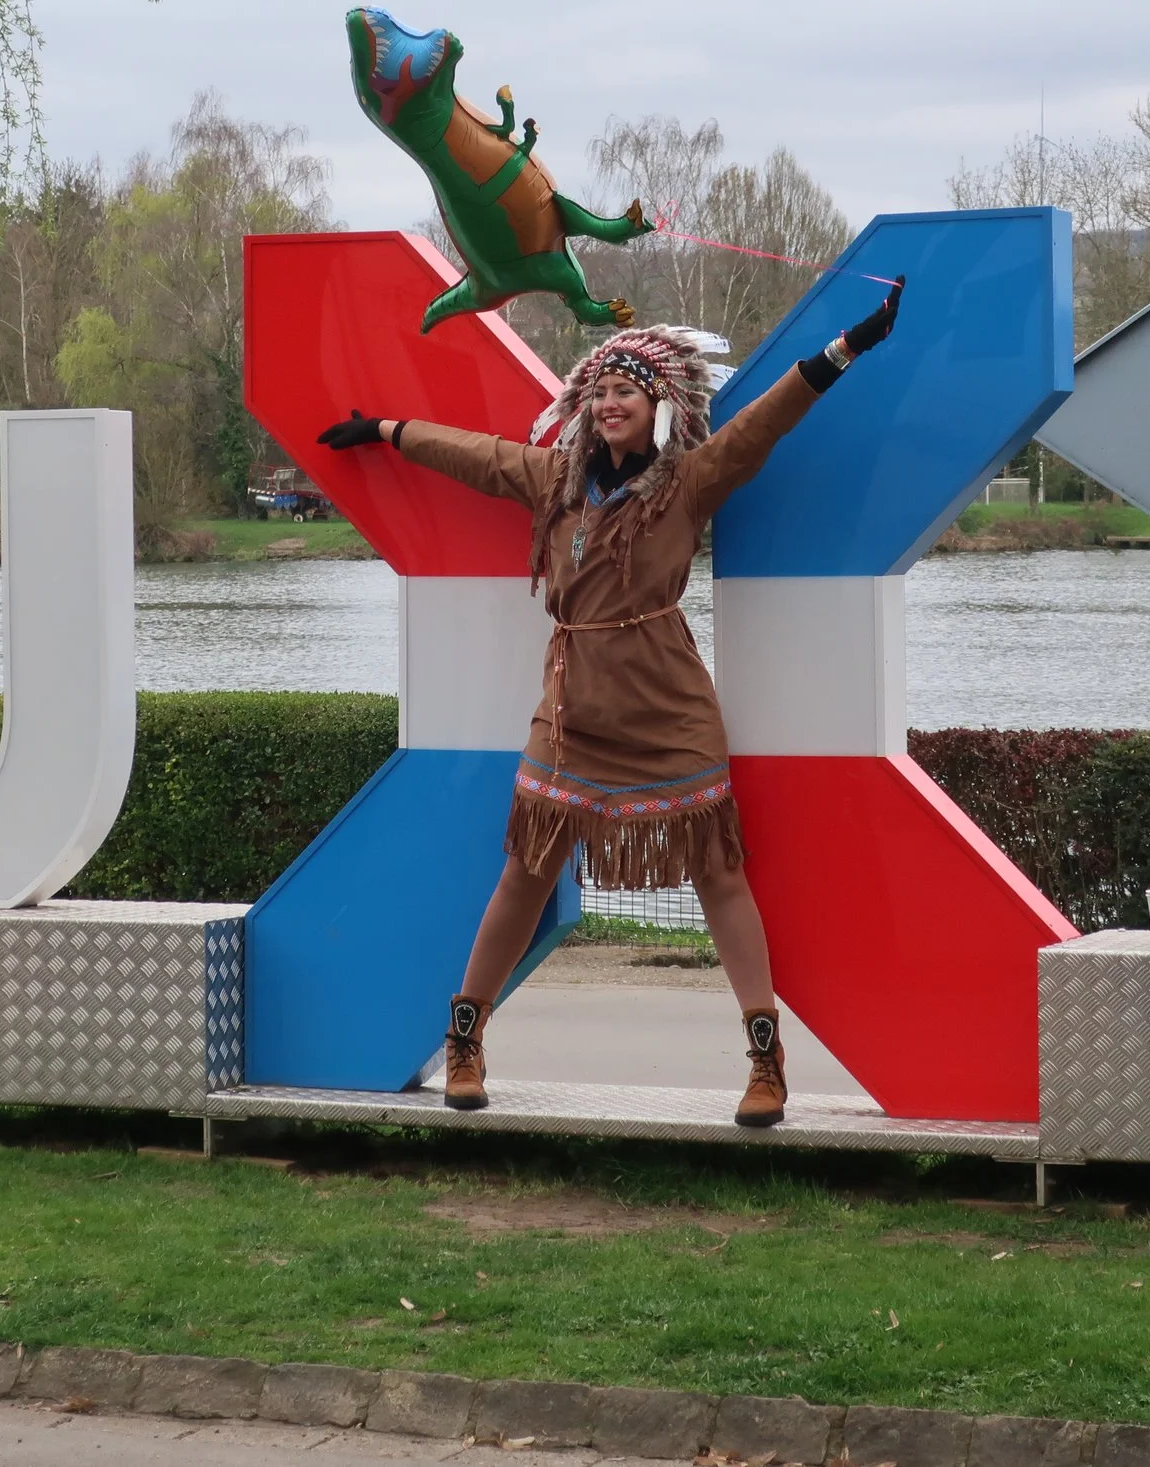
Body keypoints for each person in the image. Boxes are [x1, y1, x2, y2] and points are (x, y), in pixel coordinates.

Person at [317, 279, 904, 1125]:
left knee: (719, 871)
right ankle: (465, 1040)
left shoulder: (688, 483)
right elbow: (472, 453)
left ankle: (767, 1064)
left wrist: (848, 347)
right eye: (598, 391)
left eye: (625, 389)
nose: (608, 401)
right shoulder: (553, 479)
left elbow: (768, 421)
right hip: (570, 714)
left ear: (660, 403)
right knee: (525, 869)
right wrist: (384, 430)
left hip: (670, 709)